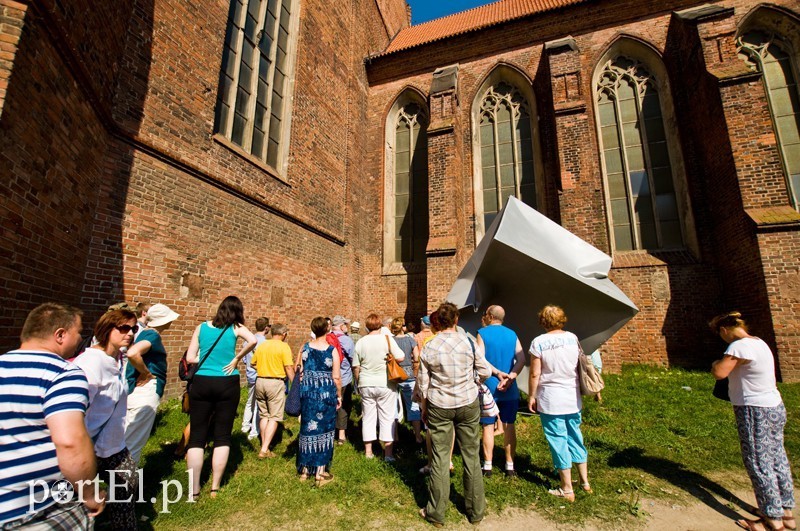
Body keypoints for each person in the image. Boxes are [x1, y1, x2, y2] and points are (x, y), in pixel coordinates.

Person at [0, 303, 104, 529]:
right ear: (60, 335)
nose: (80, 340)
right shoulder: (62, 374)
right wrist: (89, 492)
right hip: (38, 508)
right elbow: (70, 442)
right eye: (78, 332)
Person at [710, 312, 795, 531]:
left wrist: (715, 363)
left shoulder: (738, 347)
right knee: (777, 459)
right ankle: (786, 512)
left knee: (758, 462)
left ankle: (772, 520)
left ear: (724, 330)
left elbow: (720, 373)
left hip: (754, 410)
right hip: (774, 406)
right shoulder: (759, 343)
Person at [417, 302, 490, 526]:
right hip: (467, 402)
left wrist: (424, 406)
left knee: (440, 457)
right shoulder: (468, 341)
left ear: (439, 320)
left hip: (440, 403)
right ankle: (476, 511)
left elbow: (422, 382)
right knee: (471, 455)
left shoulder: (430, 345)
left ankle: (436, 513)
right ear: (456, 319)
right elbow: (485, 370)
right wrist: (475, 382)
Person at [74, 308, 140, 530]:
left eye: (134, 328)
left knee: (128, 487)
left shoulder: (119, 358)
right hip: (87, 447)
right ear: (106, 329)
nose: (130, 333)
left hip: (113, 444)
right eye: (124, 328)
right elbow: (75, 409)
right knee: (80, 505)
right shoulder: (91, 363)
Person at [185, 295, 257, 499]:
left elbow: (190, 358)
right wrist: (235, 359)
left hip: (202, 381)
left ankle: (194, 489)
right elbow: (252, 341)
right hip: (227, 380)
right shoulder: (235, 328)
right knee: (223, 435)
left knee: (197, 437)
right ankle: (215, 487)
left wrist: (207, 360)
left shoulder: (202, 327)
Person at [528, 305, 591, 502]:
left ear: (543, 321)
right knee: (575, 435)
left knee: (558, 439)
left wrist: (532, 396)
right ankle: (585, 481)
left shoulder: (538, 342)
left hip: (551, 397)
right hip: (572, 396)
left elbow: (535, 373)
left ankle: (566, 488)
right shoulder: (572, 338)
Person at [124, 303, 179, 465]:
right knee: (134, 442)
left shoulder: (145, 333)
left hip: (137, 392)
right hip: (145, 392)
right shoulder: (152, 335)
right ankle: (124, 485)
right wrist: (146, 373)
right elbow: (133, 353)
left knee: (130, 436)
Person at [477, 305, 526, 478]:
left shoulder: (482, 333)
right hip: (509, 387)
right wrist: (511, 376)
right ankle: (510, 466)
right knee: (509, 425)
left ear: (490, 316)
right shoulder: (512, 334)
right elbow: (521, 358)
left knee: (488, 426)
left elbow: (480, 359)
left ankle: (488, 465)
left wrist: (497, 373)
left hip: (490, 385)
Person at [353, 313, 405, 461]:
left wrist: (358, 381)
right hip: (385, 383)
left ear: (366, 326)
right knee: (387, 417)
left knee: (368, 417)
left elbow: (356, 366)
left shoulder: (361, 342)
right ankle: (388, 454)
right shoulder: (387, 339)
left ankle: (368, 452)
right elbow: (401, 357)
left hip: (366, 383)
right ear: (380, 324)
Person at [296, 317, 342, 486]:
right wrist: (339, 395)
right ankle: (320, 473)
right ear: (327, 329)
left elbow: (298, 370)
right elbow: (336, 377)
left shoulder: (305, 348)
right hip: (325, 394)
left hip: (307, 392)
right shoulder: (331, 350)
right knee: (324, 429)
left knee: (307, 429)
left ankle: (305, 470)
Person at [251, 323, 294, 458]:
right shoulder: (284, 347)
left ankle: (265, 446)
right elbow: (288, 367)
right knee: (275, 416)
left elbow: (253, 363)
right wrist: (295, 385)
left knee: (264, 415)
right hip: (275, 382)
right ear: (284, 334)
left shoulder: (262, 345)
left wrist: (264, 369)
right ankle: (264, 450)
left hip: (260, 381)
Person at [391, 316, 423, 444]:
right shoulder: (411, 340)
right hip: (408, 373)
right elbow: (417, 357)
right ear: (403, 327)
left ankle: (395, 436)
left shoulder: (390, 341)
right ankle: (418, 436)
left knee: (392, 405)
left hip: (393, 374)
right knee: (413, 405)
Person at [242, 317, 270, 440]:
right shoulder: (265, 344)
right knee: (259, 404)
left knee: (250, 402)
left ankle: (244, 426)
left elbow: (244, 359)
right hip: (260, 375)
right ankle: (254, 431)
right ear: (266, 328)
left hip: (250, 374)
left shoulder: (247, 340)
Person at [331, 315, 355, 445]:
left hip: (328, 378)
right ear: (341, 326)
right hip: (344, 378)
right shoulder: (346, 340)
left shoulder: (327, 338)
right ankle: (341, 435)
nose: (347, 326)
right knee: (344, 406)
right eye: (345, 324)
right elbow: (353, 358)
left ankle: (327, 432)